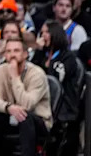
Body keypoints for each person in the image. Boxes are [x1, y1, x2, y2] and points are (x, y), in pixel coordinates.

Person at [0, 38, 51, 156]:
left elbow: (27, 105)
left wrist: (15, 77)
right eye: (9, 51)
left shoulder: (37, 74)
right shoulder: (0, 71)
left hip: (37, 121)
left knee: (24, 116)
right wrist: (8, 107)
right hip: (11, 117)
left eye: (16, 51)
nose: (12, 55)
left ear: (26, 54)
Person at [32, 21, 82, 155]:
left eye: (46, 32)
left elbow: (56, 80)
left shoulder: (68, 56)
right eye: (41, 32)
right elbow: (30, 73)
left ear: (56, 34)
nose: (43, 36)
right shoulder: (42, 54)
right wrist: (38, 50)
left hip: (63, 107)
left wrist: (49, 63)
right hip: (40, 102)